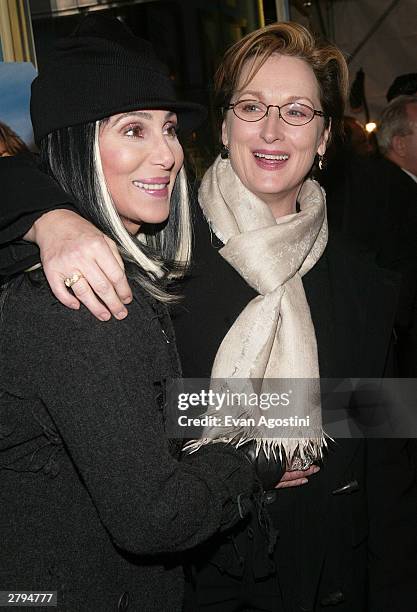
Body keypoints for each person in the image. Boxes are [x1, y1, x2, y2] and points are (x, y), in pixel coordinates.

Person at [1, 21, 416, 612]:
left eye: (298, 111)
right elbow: (138, 417)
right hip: (203, 583)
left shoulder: (367, 281)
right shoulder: (156, 251)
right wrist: (48, 218)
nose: (272, 130)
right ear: (223, 127)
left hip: (331, 575)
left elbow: (389, 465)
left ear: (325, 137)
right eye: (251, 107)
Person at [0, 15, 275, 612]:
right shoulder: (83, 296)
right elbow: (154, 517)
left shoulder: (146, 263)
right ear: (77, 143)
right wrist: (253, 460)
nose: (168, 153)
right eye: (134, 129)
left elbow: (143, 412)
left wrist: (298, 411)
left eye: (170, 129)